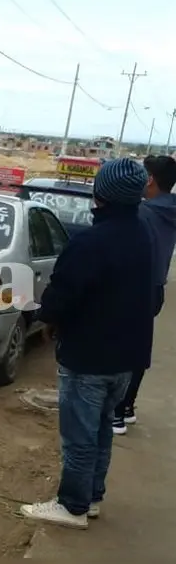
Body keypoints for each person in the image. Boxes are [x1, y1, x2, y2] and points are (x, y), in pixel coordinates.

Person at [21, 158, 155, 529]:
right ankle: (92, 496)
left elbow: (63, 293)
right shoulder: (142, 233)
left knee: (79, 437)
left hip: (90, 356)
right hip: (127, 357)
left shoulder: (92, 241)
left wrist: (47, 321)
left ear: (101, 195)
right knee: (100, 432)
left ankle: (73, 506)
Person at [112, 154, 176, 434]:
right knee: (138, 347)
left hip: (132, 286)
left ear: (149, 179)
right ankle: (126, 408)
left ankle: (116, 413)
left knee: (118, 348)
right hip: (155, 288)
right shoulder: (169, 210)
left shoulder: (144, 212)